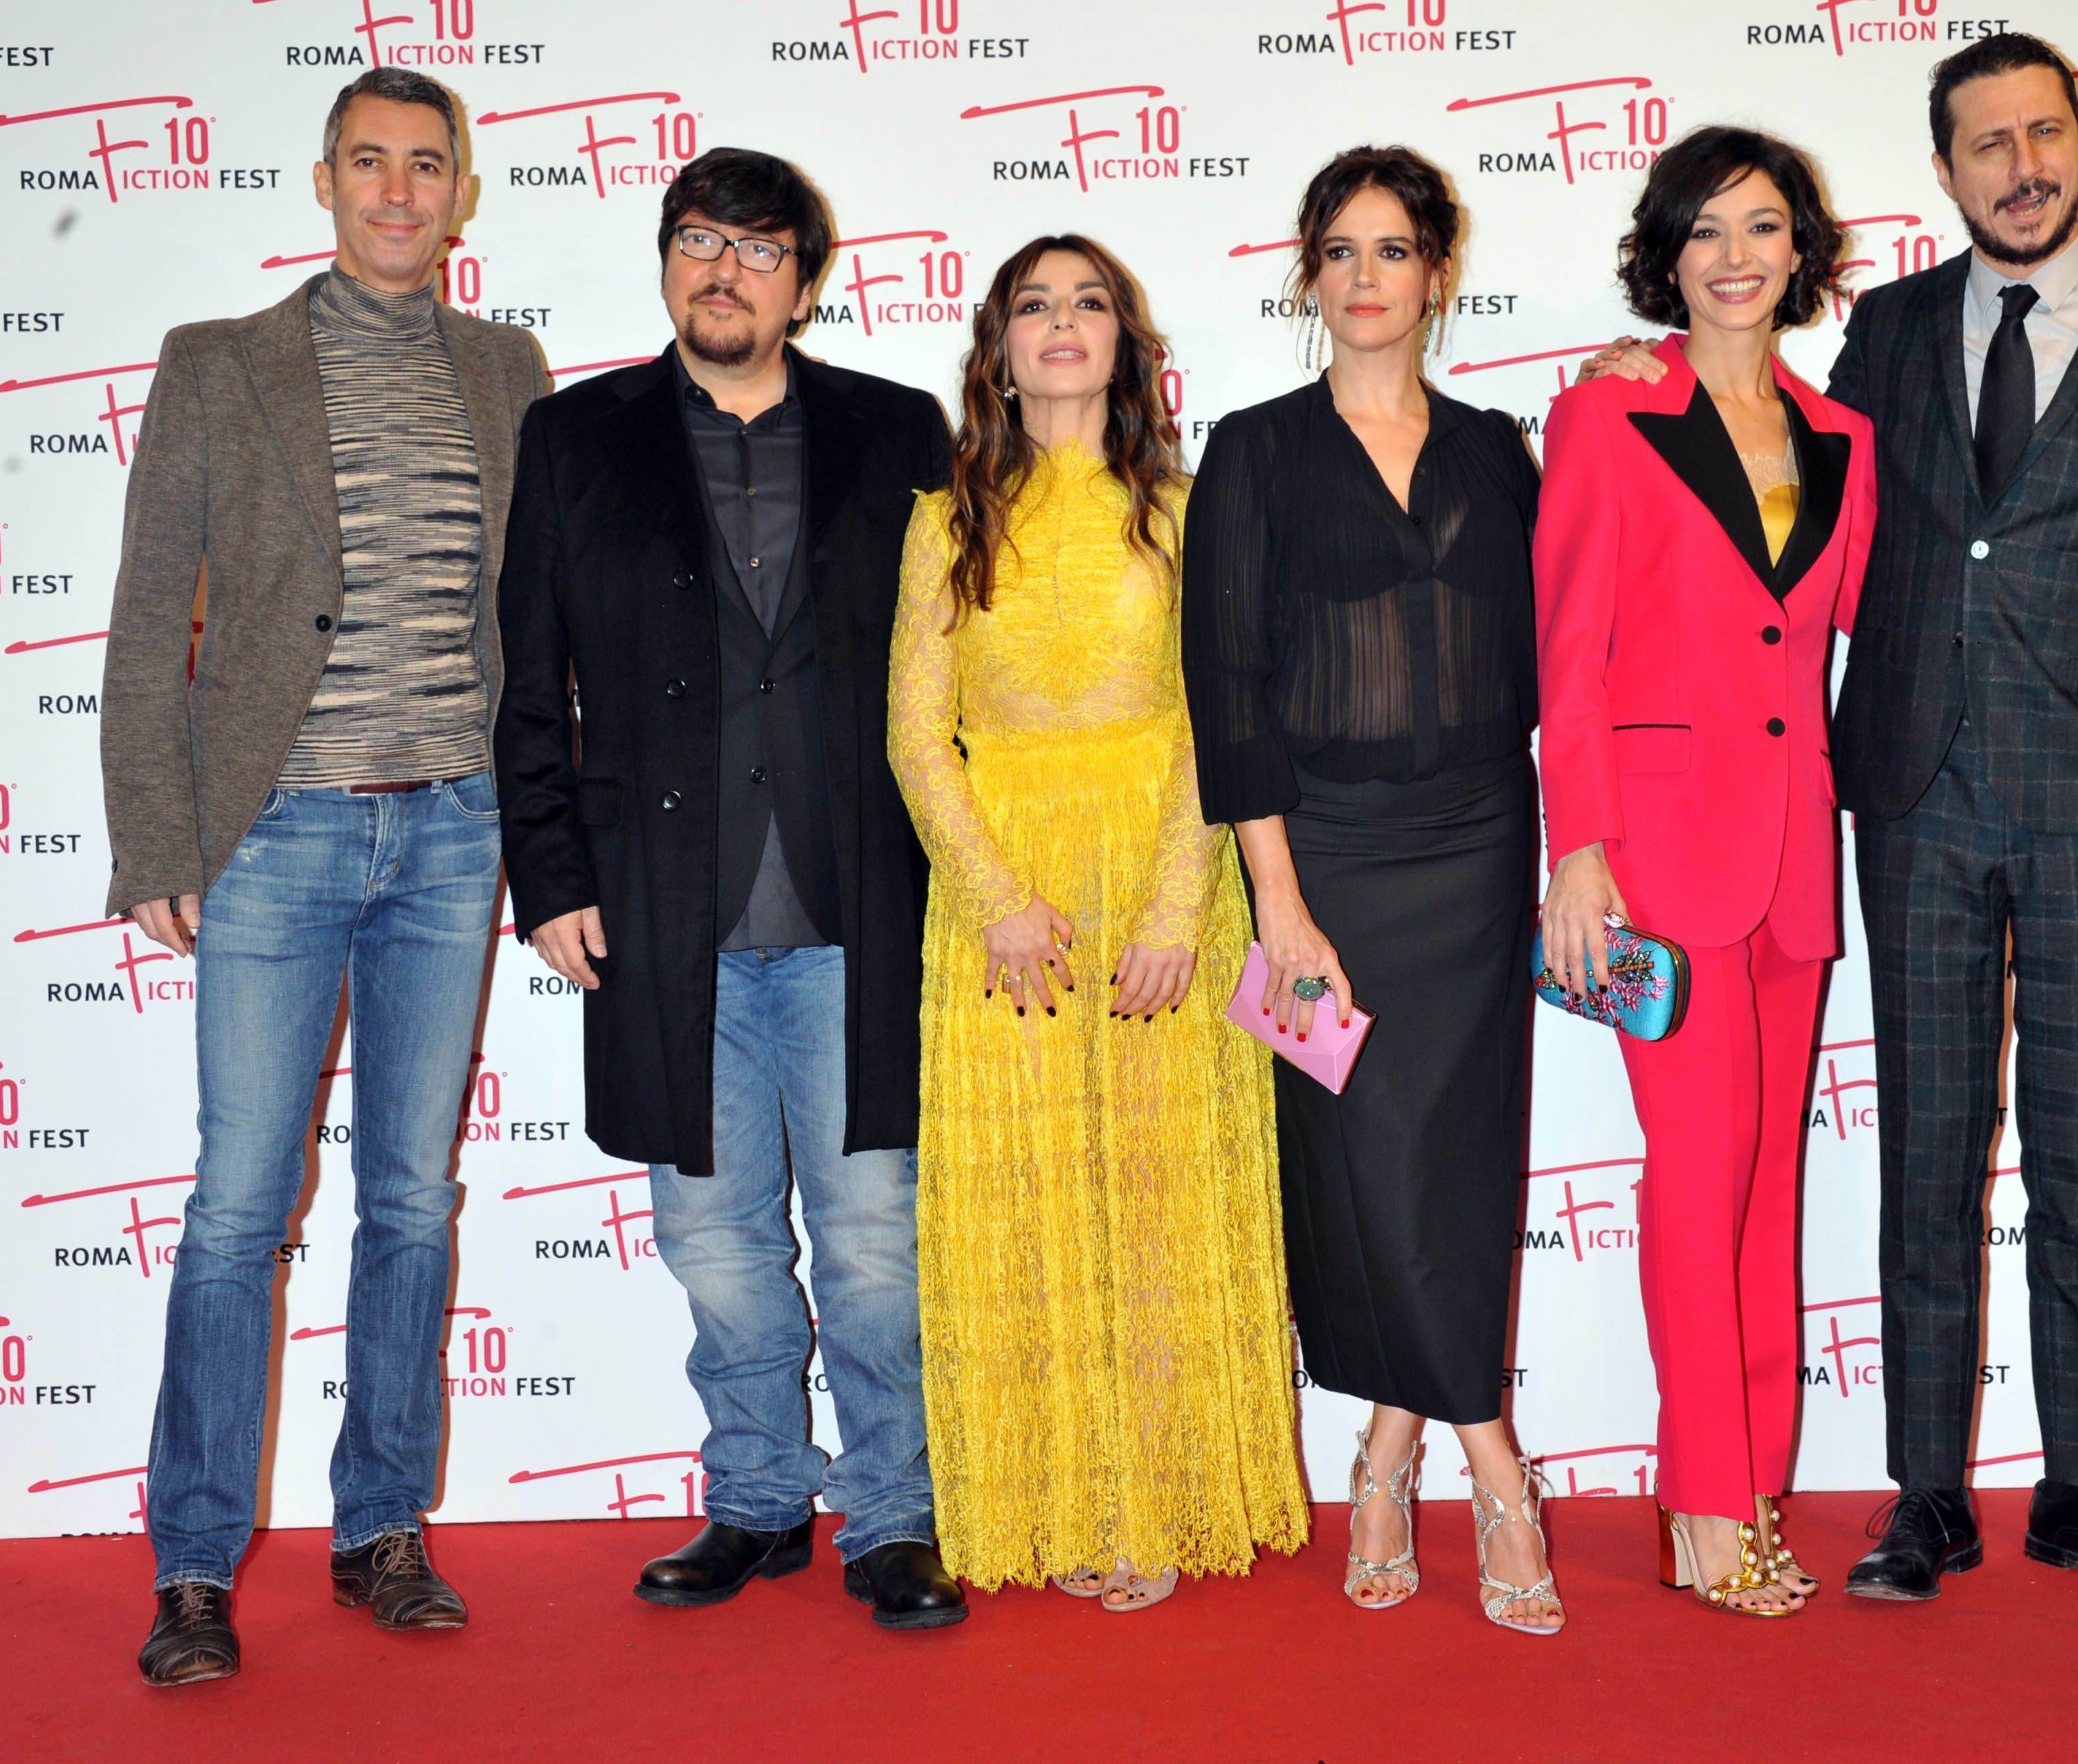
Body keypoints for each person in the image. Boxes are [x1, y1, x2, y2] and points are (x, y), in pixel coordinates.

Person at [1583, 33, 2078, 1604]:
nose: (2023, 167)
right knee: (1925, 1164)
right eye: (1987, 144)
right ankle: (1927, 1499)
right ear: (1945, 169)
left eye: (2045, 134)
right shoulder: (1884, 334)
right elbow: (1771, 495)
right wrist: (1648, 370)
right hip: (1912, 801)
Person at [101, 68, 551, 1686]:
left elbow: (535, 619)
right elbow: (150, 615)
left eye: (427, 164)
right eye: (370, 161)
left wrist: (545, 826)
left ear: (462, 192)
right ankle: (194, 1565)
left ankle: (381, 1531)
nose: (398, 190)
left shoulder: (506, 371)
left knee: (412, 1196)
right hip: (276, 832)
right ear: (324, 181)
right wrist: (158, 842)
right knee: (240, 1203)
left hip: (453, 831)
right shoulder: (219, 363)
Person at [494, 147, 968, 1632]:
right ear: (665, 260)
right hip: (658, 912)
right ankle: (759, 1498)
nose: (725, 270)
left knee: (875, 1245)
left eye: (761, 250)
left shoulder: (900, 431)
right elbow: (528, 682)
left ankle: (894, 1516)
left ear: (806, 284)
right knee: (714, 1243)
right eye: (700, 239)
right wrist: (549, 876)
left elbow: (962, 671)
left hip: (860, 909)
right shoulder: (576, 436)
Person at [888, 236, 1308, 1612]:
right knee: (1025, 1197)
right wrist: (997, 900)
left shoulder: (1185, 513)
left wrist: (1180, 905)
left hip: (1163, 879)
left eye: (1088, 304)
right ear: (998, 348)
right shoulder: (943, 520)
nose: (1061, 324)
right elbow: (916, 737)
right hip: (1002, 894)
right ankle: (1053, 1495)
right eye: (1034, 305)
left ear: (1125, 343)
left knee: (1159, 1193)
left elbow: (1216, 714)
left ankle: (1157, 1500)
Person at [1182, 146, 1561, 1635]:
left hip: (1480, 846)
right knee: (1370, 1169)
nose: (1363, 277)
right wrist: (1276, 905)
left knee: (1458, 1166)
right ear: (1306, 275)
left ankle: (1393, 1452)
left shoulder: (1496, 449)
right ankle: (1494, 1464)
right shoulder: (1254, 451)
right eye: (1337, 251)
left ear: (1437, 274)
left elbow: (1561, 640)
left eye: (1392, 250)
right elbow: (1228, 695)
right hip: (1324, 858)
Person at [1535, 128, 1876, 1617]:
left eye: (1763, 227)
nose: (1736, 257)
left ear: (1801, 250)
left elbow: (1878, 615)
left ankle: (1753, 1485)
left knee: (1766, 1186)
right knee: (1694, 1176)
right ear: (1666, 256)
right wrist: (1578, 852)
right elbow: (1569, 649)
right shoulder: (1606, 416)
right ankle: (1703, 1501)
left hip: (1795, 854)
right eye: (1706, 230)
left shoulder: (1844, 437)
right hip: (1657, 862)